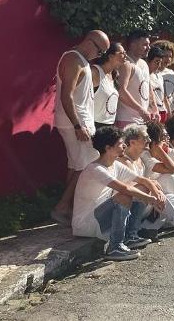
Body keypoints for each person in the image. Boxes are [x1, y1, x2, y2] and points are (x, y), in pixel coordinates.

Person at [71, 126, 165, 261]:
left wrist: (157, 194)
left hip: (102, 215)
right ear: (108, 148)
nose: (124, 145)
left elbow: (142, 180)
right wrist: (152, 200)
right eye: (120, 143)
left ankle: (130, 237)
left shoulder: (115, 164)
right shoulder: (95, 169)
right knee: (125, 195)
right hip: (87, 223)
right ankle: (115, 247)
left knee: (142, 188)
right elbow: (124, 189)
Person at [51, 30, 110, 226]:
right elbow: (66, 96)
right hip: (76, 123)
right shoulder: (73, 59)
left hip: (78, 122)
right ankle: (63, 207)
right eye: (100, 51)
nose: (99, 56)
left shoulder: (81, 60)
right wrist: (77, 125)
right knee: (88, 164)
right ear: (90, 42)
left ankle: (69, 207)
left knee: (76, 164)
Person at [117, 123, 174, 239]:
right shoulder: (124, 161)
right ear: (132, 142)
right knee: (152, 190)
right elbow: (124, 188)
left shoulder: (140, 158)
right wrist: (150, 185)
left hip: (145, 204)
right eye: (145, 138)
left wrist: (152, 186)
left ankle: (148, 228)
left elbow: (173, 170)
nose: (149, 140)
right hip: (130, 207)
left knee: (167, 186)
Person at [115, 31, 158, 129]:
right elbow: (121, 91)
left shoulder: (144, 63)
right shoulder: (126, 64)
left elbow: (148, 87)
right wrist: (141, 110)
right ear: (132, 45)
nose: (148, 48)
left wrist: (154, 108)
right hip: (127, 119)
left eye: (149, 44)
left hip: (143, 119)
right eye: (145, 44)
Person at [92, 42, 126, 129]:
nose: (125, 55)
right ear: (110, 56)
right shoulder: (95, 72)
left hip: (109, 125)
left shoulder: (113, 75)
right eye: (122, 53)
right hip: (94, 125)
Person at [151, 39, 174, 113]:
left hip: (171, 112)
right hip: (156, 112)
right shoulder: (151, 73)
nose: (168, 59)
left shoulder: (171, 73)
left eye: (170, 56)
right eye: (165, 56)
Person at [146, 46, 172, 123]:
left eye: (160, 62)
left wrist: (169, 112)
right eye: (156, 62)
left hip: (163, 111)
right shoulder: (144, 76)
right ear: (148, 61)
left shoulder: (160, 76)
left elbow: (164, 96)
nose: (159, 65)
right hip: (151, 112)